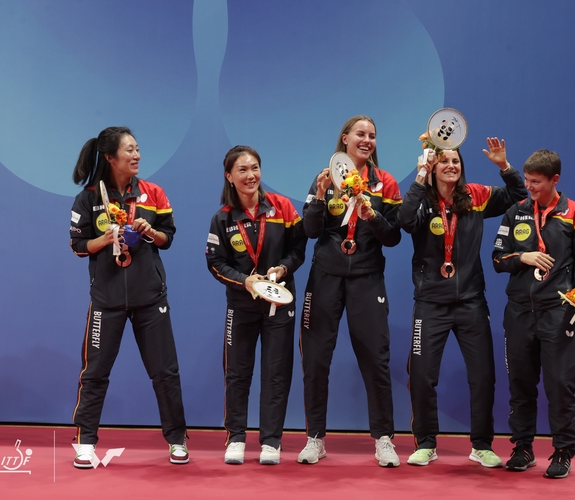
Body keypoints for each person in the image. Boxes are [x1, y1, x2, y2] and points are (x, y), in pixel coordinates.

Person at [397, 139, 527, 467]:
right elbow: (404, 221)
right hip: (430, 302)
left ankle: (481, 444)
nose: (451, 166)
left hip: (471, 302)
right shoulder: (422, 200)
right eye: (443, 162)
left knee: (483, 376)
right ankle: (426, 443)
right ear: (434, 167)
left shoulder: (476, 196)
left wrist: (504, 166)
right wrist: (420, 174)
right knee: (423, 375)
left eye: (455, 160)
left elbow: (518, 195)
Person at [69, 126, 189, 468]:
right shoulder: (89, 198)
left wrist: (152, 233)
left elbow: (169, 236)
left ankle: (178, 440)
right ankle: (85, 442)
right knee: (94, 373)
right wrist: (105, 240)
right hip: (105, 301)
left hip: (151, 298)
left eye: (138, 149)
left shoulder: (154, 193)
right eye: (129, 150)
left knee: (165, 372)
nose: (137, 155)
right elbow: (78, 247)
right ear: (110, 158)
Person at [298, 116, 402, 467]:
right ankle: (315, 438)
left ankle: (384, 439)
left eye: (372, 135)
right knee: (315, 360)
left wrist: (371, 215)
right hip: (325, 276)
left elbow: (393, 237)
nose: (367, 140)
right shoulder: (324, 177)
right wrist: (318, 195)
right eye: (361, 133)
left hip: (367, 278)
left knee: (377, 360)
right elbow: (311, 231)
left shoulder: (384, 182)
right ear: (345, 138)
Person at [492, 149, 575, 479]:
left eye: (536, 182)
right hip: (519, 312)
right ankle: (522, 447)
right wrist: (523, 258)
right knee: (520, 385)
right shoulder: (516, 212)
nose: (530, 187)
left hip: (558, 313)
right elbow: (497, 260)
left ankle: (563, 451)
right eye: (526, 180)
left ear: (555, 180)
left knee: (559, 385)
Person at [205, 145, 307, 465]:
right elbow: (215, 263)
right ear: (229, 176)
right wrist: (245, 281)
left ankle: (271, 442)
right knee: (238, 373)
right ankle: (236, 438)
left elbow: (299, 249)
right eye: (242, 170)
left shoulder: (282, 207)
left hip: (279, 305)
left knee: (276, 374)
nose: (250, 175)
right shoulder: (222, 219)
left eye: (255, 169)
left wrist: (282, 269)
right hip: (242, 306)